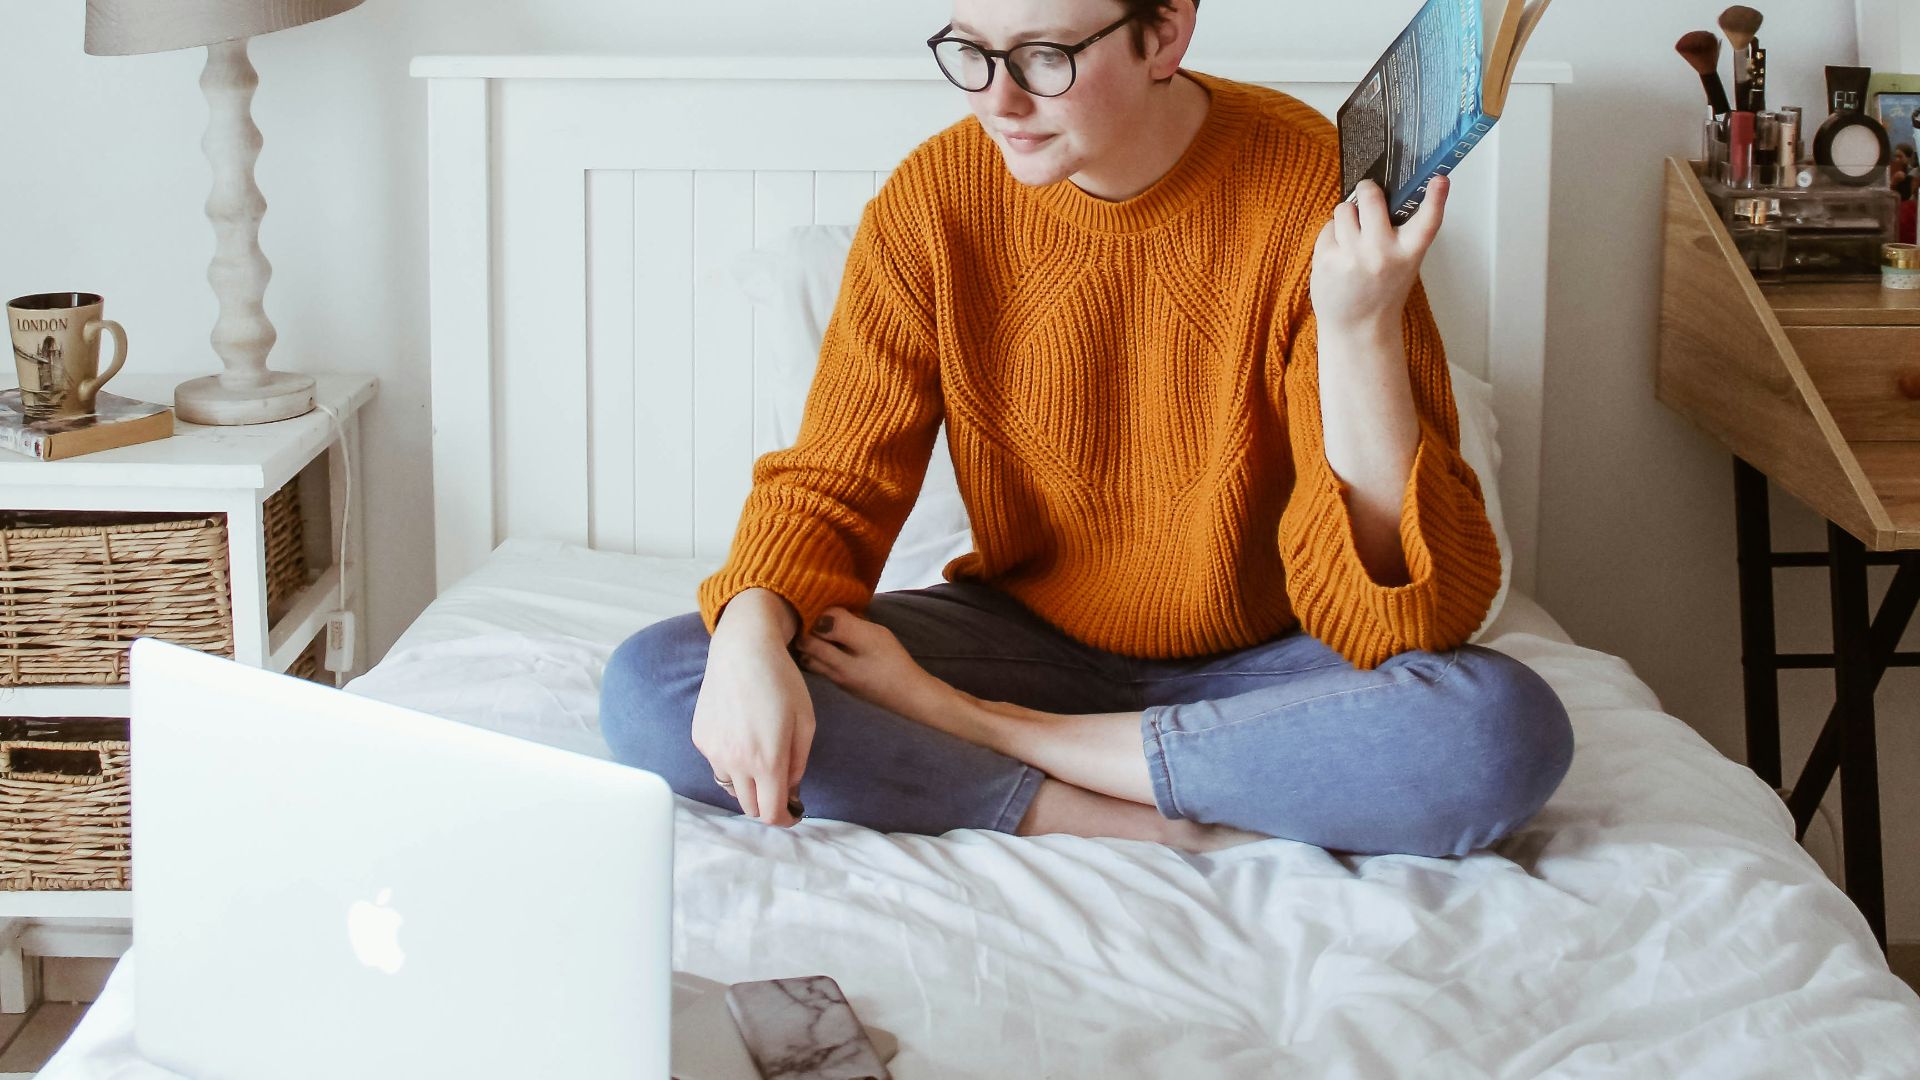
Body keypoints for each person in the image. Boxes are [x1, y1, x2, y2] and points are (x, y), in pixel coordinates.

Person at [600, 0, 1574, 856]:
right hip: (1034, 635)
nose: (997, 100)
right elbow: (834, 483)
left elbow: (1400, 620)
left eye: (1044, 58)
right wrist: (752, 637)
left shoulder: (1309, 188)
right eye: (971, 51)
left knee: (1497, 730)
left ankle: (1001, 740)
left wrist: (1360, 327)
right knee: (662, 682)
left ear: (1167, 32)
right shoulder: (934, 201)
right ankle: (1108, 806)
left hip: (1272, 662)